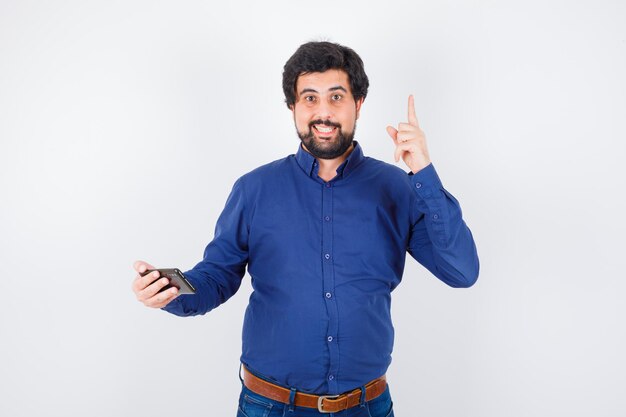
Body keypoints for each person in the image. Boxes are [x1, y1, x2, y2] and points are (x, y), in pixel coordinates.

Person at [131, 41, 479, 417]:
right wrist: (172, 291)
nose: (323, 112)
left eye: (336, 97)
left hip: (366, 407)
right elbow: (217, 276)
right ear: (293, 107)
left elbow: (461, 271)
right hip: (270, 407)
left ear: (358, 104)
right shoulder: (254, 190)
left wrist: (423, 174)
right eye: (309, 98)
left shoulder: (398, 188)